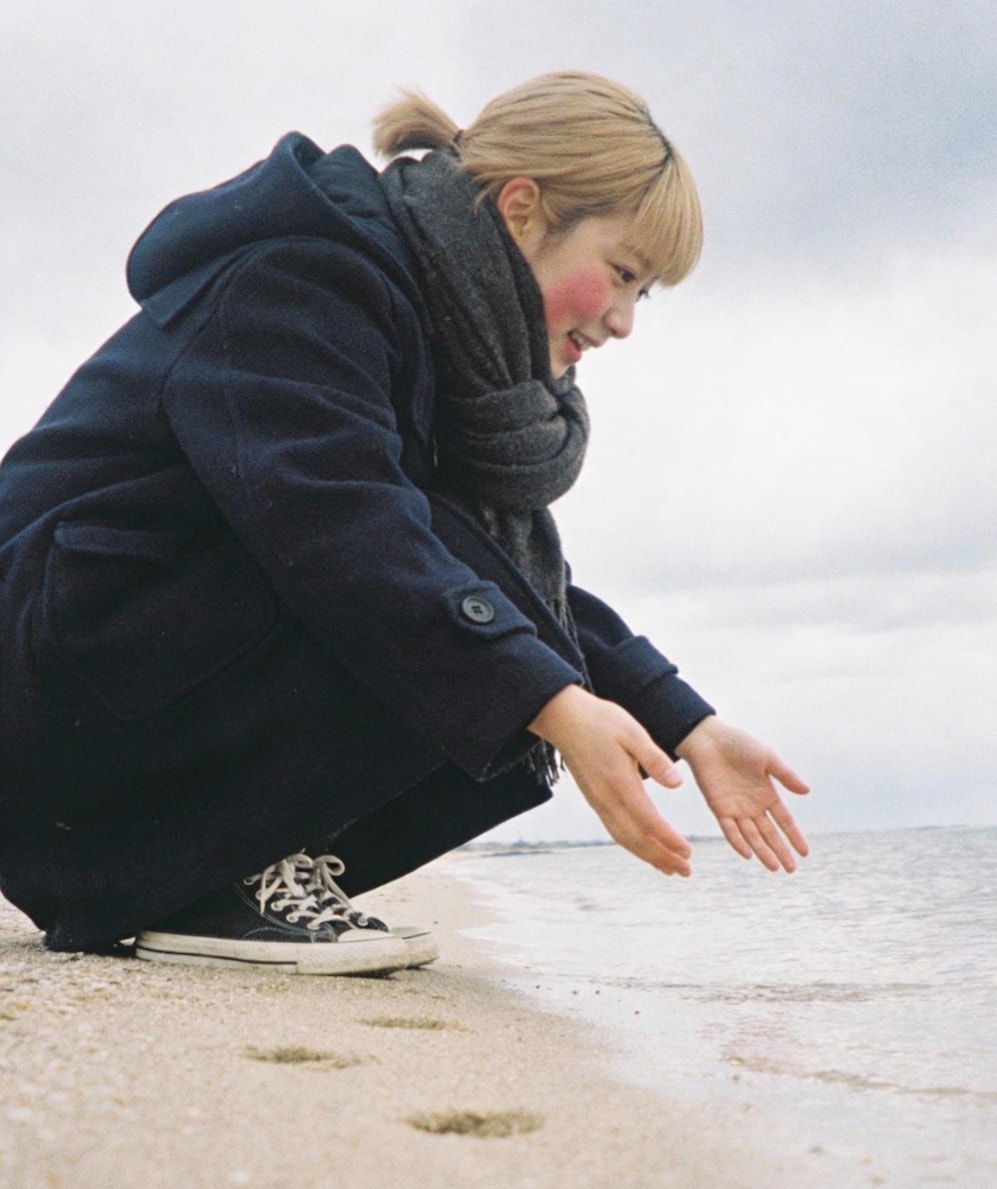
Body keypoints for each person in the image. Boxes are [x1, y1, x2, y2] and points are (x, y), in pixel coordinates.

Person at [0, 71, 808, 975]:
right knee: (440, 607)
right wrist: (552, 703)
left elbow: (489, 572)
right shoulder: (306, 274)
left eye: (644, 294)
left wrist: (683, 722)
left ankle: (223, 865)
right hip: (54, 674)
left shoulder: (443, 336)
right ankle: (183, 873)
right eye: (621, 274)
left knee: (468, 605)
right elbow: (337, 523)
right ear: (522, 208)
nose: (622, 321)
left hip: (112, 667)